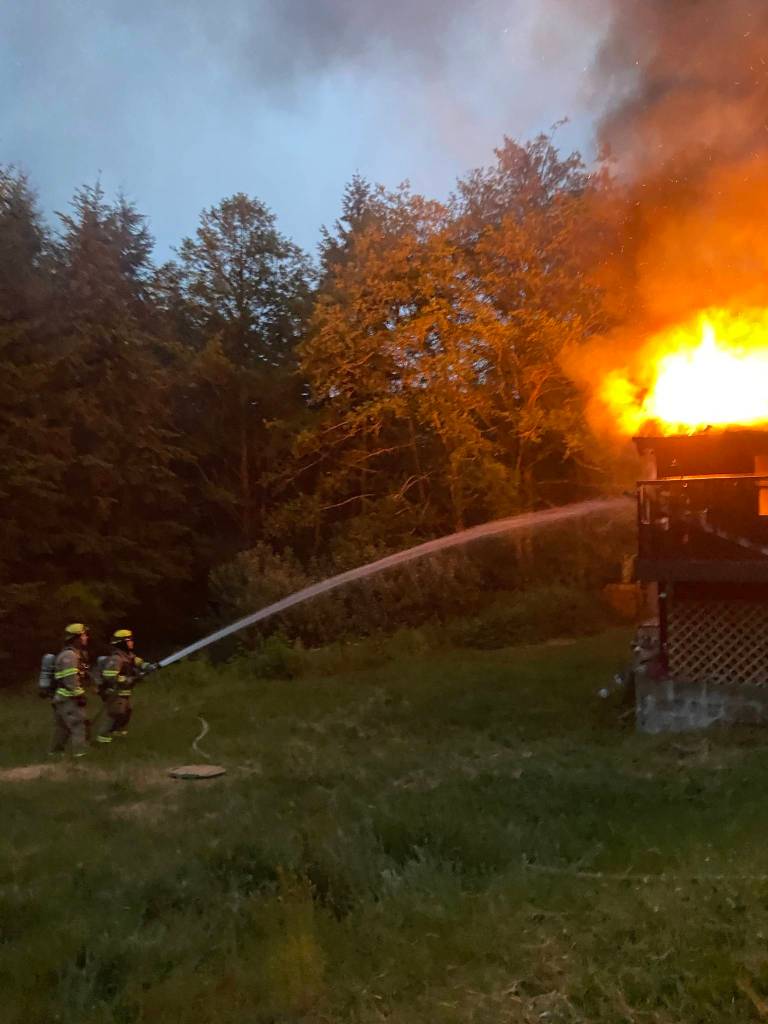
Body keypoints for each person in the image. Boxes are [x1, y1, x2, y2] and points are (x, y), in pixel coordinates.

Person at [95, 629, 157, 744]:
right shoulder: (116, 658)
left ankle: (118, 739)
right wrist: (129, 679)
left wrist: (149, 666)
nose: (131, 642)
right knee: (114, 716)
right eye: (129, 640)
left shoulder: (129, 656)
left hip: (123, 694)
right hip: (115, 693)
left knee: (125, 715)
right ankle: (102, 740)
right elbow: (109, 676)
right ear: (122, 643)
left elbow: (139, 662)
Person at [50, 622, 90, 757]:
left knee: (62, 728)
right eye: (83, 635)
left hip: (62, 698)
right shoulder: (70, 655)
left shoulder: (72, 654)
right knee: (78, 726)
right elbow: (70, 680)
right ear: (76, 638)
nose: (86, 637)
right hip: (68, 698)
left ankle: (55, 755)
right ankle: (80, 755)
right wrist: (80, 695)